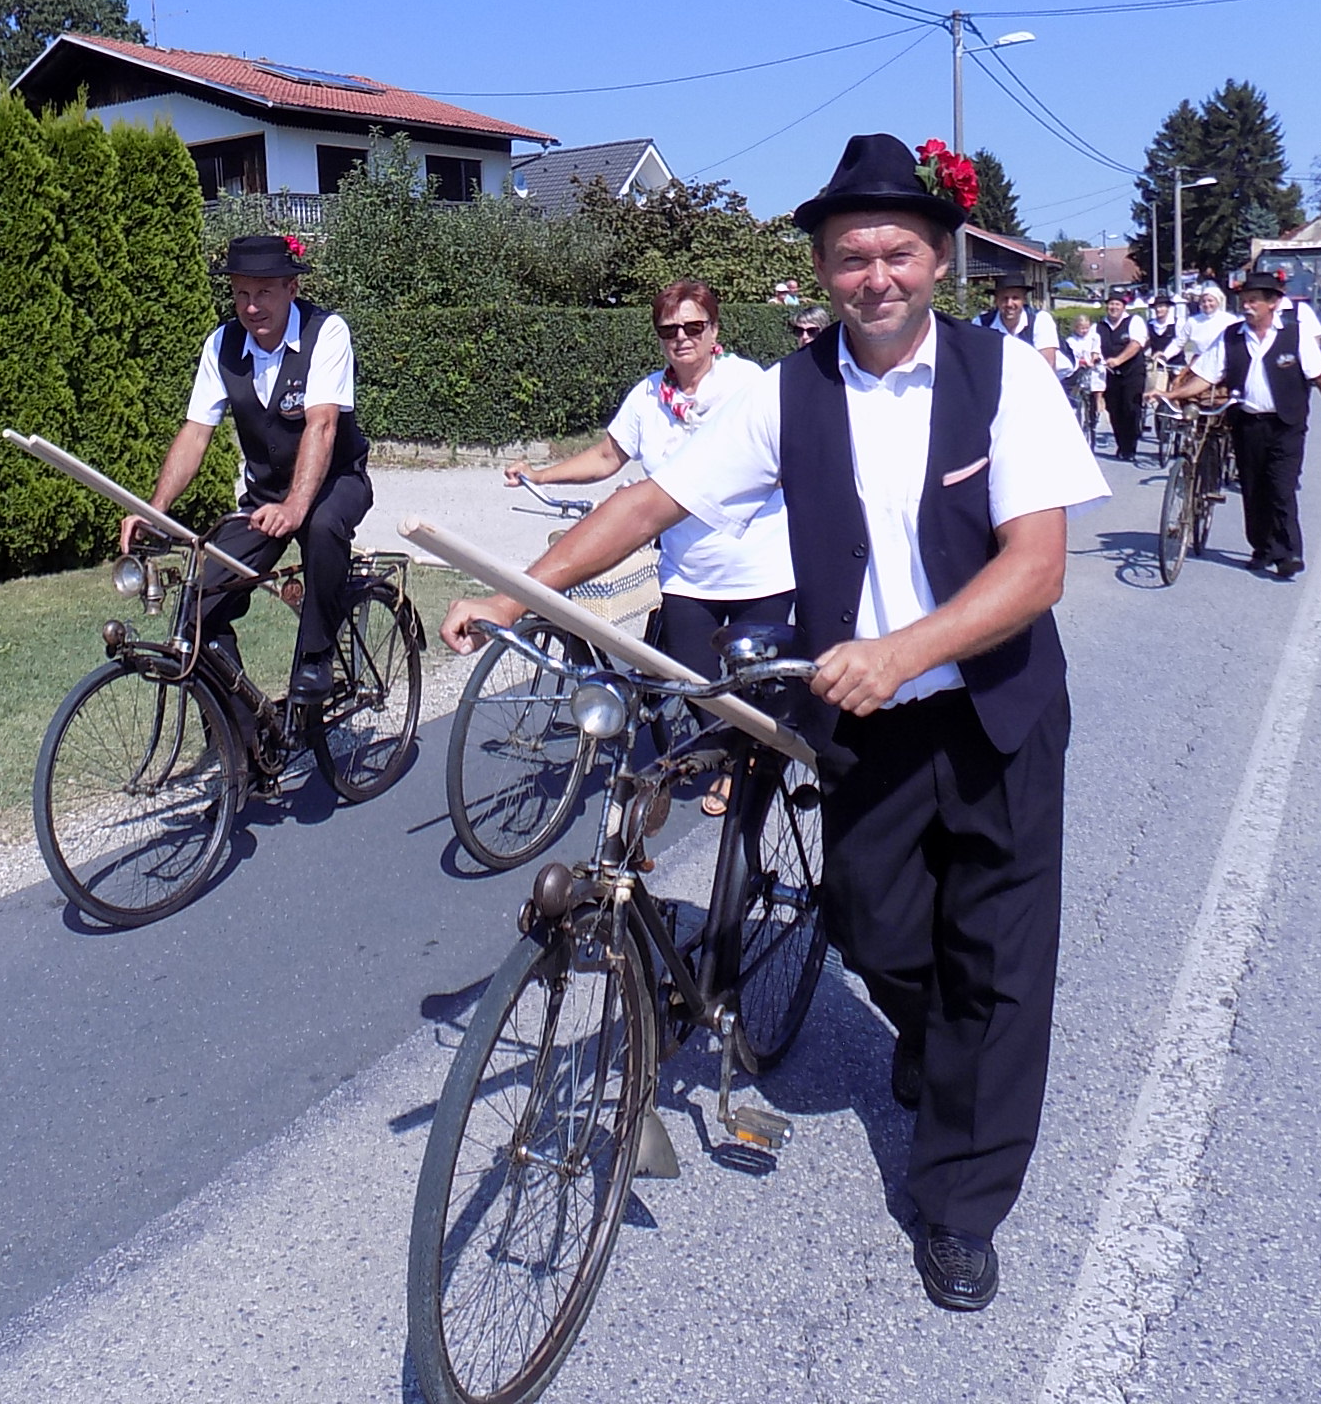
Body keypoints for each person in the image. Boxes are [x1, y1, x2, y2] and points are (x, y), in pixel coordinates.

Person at [442, 131, 1109, 1313]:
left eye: (898, 251)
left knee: (998, 972)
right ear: (821, 270)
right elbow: (652, 499)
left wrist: (904, 647)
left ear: (939, 259)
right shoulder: (786, 396)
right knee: (870, 923)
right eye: (851, 256)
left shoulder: (1005, 378)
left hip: (994, 714)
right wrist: (518, 593)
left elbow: (1037, 566)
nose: (876, 276)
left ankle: (958, 1208)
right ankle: (932, 1037)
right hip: (868, 728)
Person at [508, 280, 794, 811]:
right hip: (688, 574)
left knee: (754, 687)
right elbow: (605, 458)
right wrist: (542, 475)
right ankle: (731, 759)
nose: (682, 338)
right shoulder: (646, 398)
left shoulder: (747, 384)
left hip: (760, 568)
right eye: (669, 330)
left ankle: (745, 773)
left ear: (715, 332)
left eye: (694, 327)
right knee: (697, 683)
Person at [123, 233, 369, 699]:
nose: (251, 306)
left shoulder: (327, 333)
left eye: (263, 293)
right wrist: (154, 510)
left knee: (321, 528)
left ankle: (318, 656)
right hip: (265, 495)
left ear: (290, 290)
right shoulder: (222, 344)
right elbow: (196, 433)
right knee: (201, 601)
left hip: (335, 482)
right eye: (240, 293)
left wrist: (297, 507)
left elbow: (321, 426)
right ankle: (243, 733)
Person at [1153, 267, 1321, 579]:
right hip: (1246, 423)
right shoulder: (1231, 337)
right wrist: (1172, 393)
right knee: (1253, 489)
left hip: (1286, 424)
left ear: (1273, 303)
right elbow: (1206, 376)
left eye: (1254, 300)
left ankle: (1289, 553)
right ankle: (1261, 548)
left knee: (1281, 487)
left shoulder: (1294, 335)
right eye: (1244, 300)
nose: (1246, 305)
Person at [974, 269, 1065, 373]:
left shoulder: (1040, 320)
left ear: (1024, 300)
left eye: (1015, 298)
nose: (1009, 304)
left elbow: (1048, 365)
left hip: (1059, 378)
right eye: (1004, 298)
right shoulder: (981, 323)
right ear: (996, 301)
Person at [1096, 290, 1150, 462]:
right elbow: (1093, 345)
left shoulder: (1134, 321)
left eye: (1117, 304)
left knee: (1130, 407)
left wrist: (1118, 360)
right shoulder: (1099, 326)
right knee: (1114, 409)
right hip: (1111, 374)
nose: (1113, 308)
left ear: (1123, 307)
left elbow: (1136, 344)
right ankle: (1121, 444)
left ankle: (1130, 447)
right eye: (1111, 304)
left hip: (1132, 372)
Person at [1065, 313, 1103, 436]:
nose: (1084, 331)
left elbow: (1096, 350)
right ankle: (1076, 409)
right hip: (1080, 367)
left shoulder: (1094, 337)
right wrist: (1081, 362)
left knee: (1097, 386)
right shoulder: (1071, 340)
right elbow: (1073, 355)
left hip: (1094, 366)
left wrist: (1093, 360)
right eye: (1081, 328)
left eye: (1086, 328)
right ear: (1075, 328)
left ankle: (1097, 409)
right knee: (1076, 388)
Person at [1180, 282, 1236, 364]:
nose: (1207, 304)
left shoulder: (1230, 320)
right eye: (1204, 301)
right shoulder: (1192, 321)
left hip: (1223, 363)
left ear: (1218, 301)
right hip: (1199, 363)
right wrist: (1165, 356)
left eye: (1210, 301)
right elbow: (1179, 342)